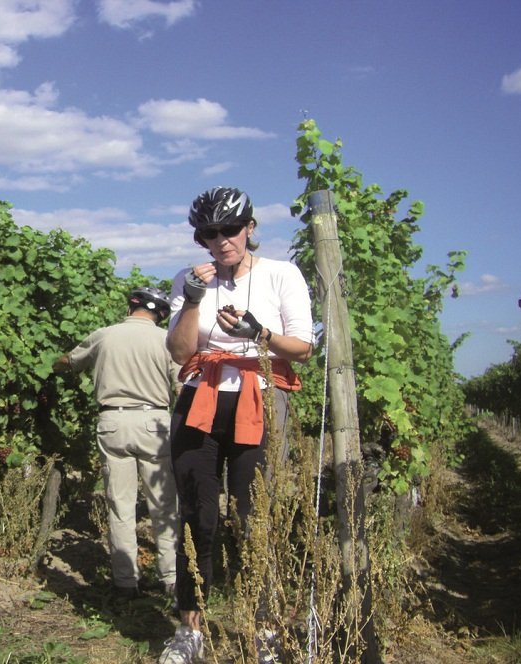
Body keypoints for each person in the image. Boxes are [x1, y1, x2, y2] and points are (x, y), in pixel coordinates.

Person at [158, 187, 313, 664]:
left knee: (256, 515)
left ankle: (264, 629)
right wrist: (192, 301)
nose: (221, 240)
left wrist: (258, 333)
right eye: (209, 233)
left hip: (260, 398)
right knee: (197, 514)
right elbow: (181, 352)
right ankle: (191, 631)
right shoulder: (190, 277)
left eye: (229, 229)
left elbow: (303, 346)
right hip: (200, 398)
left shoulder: (281, 274)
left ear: (250, 228)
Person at [54, 287, 181, 599]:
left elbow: (69, 362)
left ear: (131, 306)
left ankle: (126, 582)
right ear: (161, 314)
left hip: (113, 421)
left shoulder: (104, 335)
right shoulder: (167, 340)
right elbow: (181, 385)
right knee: (164, 506)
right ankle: (172, 580)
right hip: (154, 422)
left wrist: (55, 365)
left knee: (120, 504)